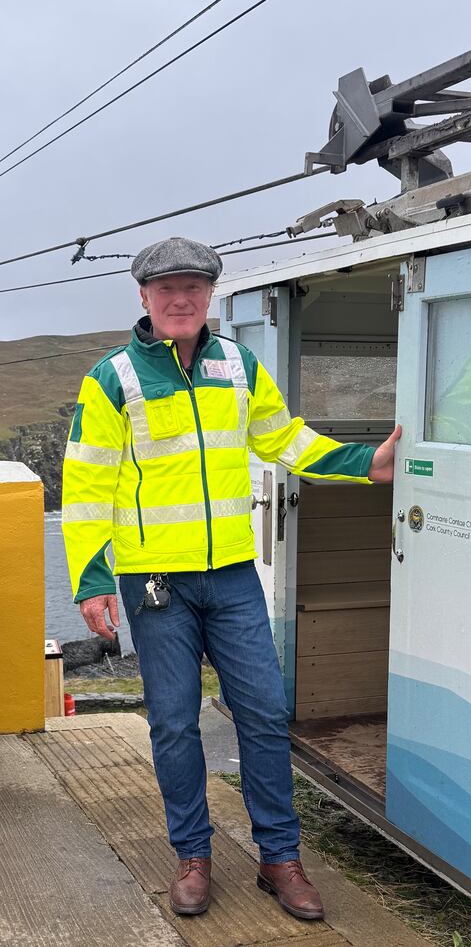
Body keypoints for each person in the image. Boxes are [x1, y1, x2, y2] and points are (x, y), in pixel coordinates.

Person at [61, 236, 400, 920]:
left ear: (210, 295)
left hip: (233, 577)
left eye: (194, 287)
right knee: (175, 725)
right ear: (144, 299)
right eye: (167, 289)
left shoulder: (239, 366)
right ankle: (193, 855)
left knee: (266, 715)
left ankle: (281, 859)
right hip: (156, 585)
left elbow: (285, 437)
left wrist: (365, 462)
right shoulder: (113, 377)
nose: (181, 299)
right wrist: (92, 579)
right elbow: (88, 483)